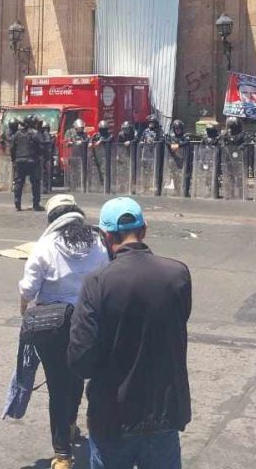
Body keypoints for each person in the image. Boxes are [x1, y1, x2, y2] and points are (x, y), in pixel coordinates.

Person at [69, 198, 191, 469]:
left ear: (105, 236)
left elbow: (81, 360)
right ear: (144, 230)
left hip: (113, 413)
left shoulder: (97, 282)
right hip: (163, 410)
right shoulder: (177, 274)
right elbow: (178, 323)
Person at [19, 194, 110, 469]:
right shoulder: (97, 243)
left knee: (57, 386)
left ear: (51, 218)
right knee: (77, 377)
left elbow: (28, 289)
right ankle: (70, 424)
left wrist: (24, 311)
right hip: (87, 322)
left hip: (51, 325)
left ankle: (62, 455)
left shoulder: (45, 245)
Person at [12, 116, 45, 212]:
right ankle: (36, 204)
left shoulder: (17, 134)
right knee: (35, 183)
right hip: (32, 161)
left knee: (18, 182)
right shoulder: (35, 134)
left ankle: (17, 203)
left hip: (20, 161)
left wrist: (14, 159)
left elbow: (12, 147)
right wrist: (39, 155)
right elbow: (42, 146)